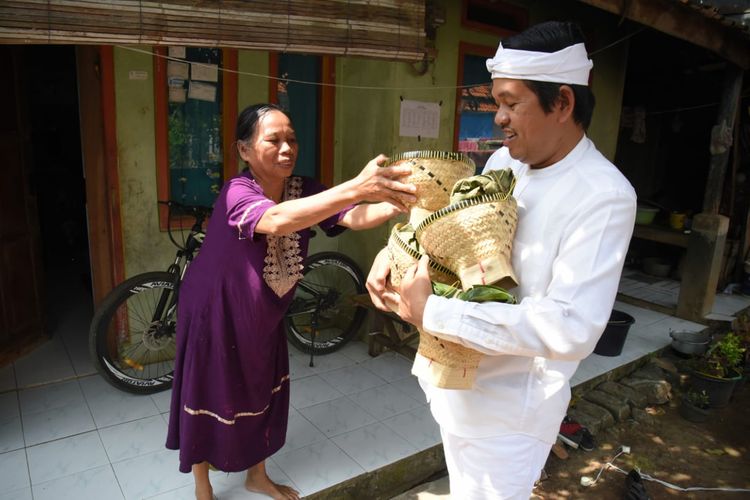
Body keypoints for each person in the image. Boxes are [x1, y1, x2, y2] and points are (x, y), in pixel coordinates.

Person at [367, 21, 637, 499]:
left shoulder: (605, 195)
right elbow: (449, 239)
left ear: (563, 103)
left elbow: (571, 327)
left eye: (512, 103)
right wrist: (394, 255)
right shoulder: (503, 165)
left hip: (510, 414)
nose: (499, 118)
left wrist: (433, 311)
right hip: (454, 379)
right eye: (497, 103)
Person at [166, 103, 416, 500]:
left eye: (292, 139)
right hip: (214, 310)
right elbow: (278, 220)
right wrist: (355, 186)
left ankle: (256, 475)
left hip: (263, 312)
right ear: (244, 150)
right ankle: (202, 485)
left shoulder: (305, 188)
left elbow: (354, 217)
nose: (287, 148)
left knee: (263, 389)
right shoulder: (237, 191)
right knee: (209, 391)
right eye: (274, 140)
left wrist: (402, 200)